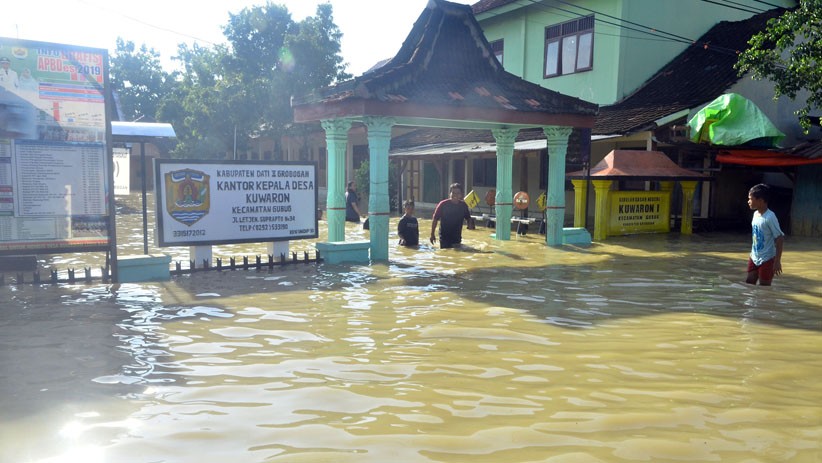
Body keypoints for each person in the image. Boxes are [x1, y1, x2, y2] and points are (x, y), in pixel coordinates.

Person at [746, 183, 784, 286]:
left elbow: (779, 238)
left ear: (761, 201)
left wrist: (777, 261)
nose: (748, 201)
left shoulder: (770, 217)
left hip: (767, 258)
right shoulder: (755, 214)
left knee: (764, 288)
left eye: (751, 199)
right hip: (754, 256)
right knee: (749, 283)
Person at [430, 182, 474, 249]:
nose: (455, 195)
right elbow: (435, 219)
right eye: (453, 193)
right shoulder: (443, 205)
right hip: (444, 238)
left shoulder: (463, 206)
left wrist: (470, 224)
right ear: (450, 193)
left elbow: (468, 218)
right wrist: (432, 234)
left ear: (461, 195)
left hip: (456, 237)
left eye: (458, 193)